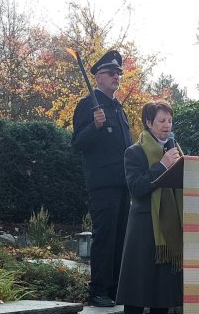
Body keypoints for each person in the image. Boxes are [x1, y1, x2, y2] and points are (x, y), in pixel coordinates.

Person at [71, 50, 132, 307]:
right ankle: (98, 290)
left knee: (120, 237)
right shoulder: (88, 105)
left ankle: (115, 288)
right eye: (111, 72)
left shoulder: (118, 108)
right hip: (103, 184)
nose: (116, 76)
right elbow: (77, 143)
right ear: (97, 77)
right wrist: (94, 127)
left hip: (123, 184)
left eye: (118, 73)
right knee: (105, 237)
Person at [118, 100, 183, 314]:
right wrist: (162, 165)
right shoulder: (134, 152)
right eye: (161, 120)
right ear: (148, 122)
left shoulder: (176, 152)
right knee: (137, 292)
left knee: (162, 295)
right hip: (144, 229)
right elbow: (136, 188)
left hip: (168, 228)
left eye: (170, 121)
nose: (167, 125)